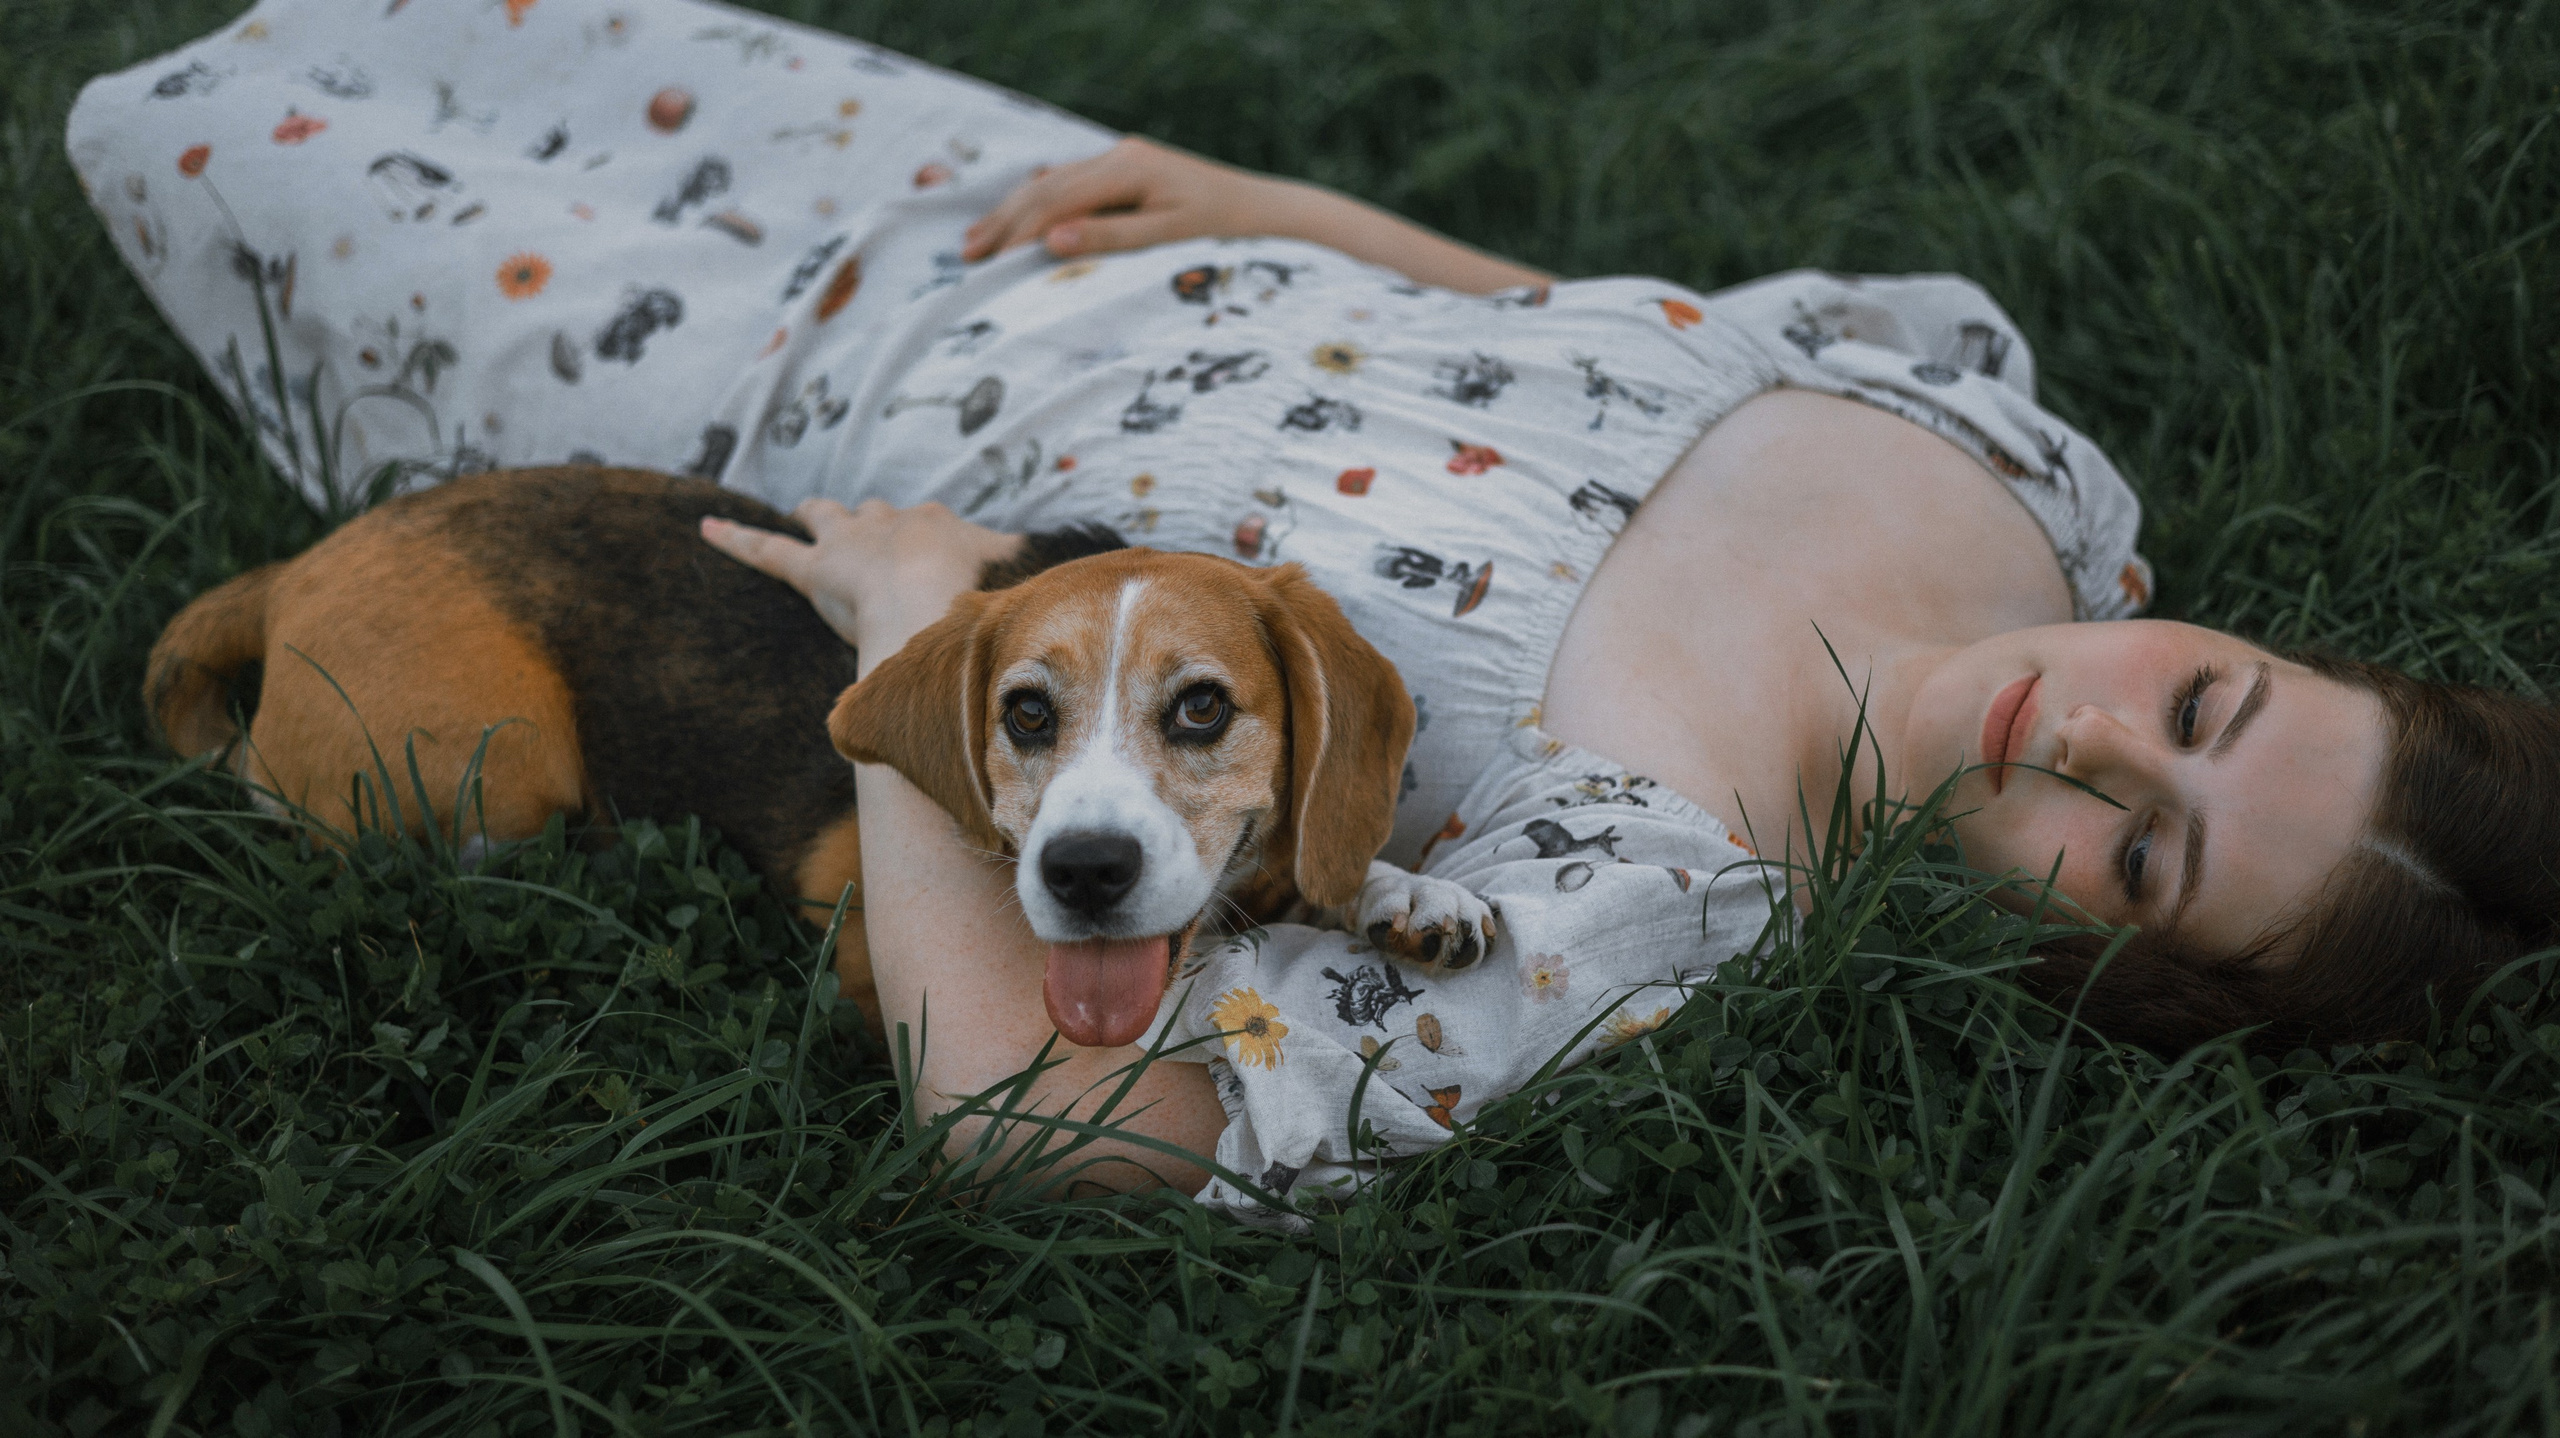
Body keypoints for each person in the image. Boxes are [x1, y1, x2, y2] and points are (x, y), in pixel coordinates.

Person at [72, 0, 2550, 1212]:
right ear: (2194, 619)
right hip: (1039, 215)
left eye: (2139, 850)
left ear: (2088, 966)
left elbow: (1042, 1120)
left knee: (220, 137)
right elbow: (1595, 334)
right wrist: (1292, 209)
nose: (2092, 736)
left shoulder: (1655, 888)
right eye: (2202, 701)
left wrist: (913, 662)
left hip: (803, 401)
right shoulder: (2011, 463)